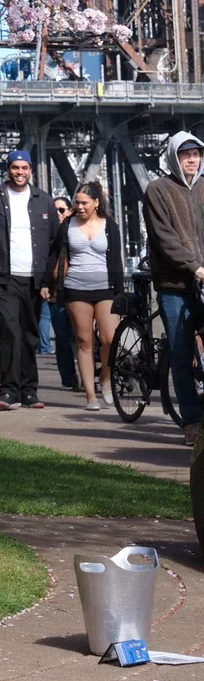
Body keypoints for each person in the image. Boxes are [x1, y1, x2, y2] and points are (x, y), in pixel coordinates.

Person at [0, 150, 56, 412]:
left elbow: (54, 243)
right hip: (2, 277)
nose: (20, 172)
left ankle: (30, 391)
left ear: (31, 170)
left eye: (25, 168)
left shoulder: (43, 201)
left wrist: (47, 281)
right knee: (9, 331)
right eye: (15, 168)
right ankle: (9, 391)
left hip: (33, 278)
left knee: (30, 335)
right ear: (8, 169)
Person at [141, 130, 204, 447]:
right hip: (174, 284)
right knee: (180, 353)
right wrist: (195, 267)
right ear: (173, 157)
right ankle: (192, 421)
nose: (192, 159)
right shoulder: (158, 190)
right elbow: (164, 239)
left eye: (196, 154)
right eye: (185, 154)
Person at [41, 180, 123, 412]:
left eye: (84, 203)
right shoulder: (67, 225)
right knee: (84, 341)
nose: (80, 207)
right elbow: (55, 254)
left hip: (105, 287)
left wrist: (120, 293)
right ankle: (90, 395)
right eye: (76, 203)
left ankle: (105, 378)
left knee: (110, 338)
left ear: (96, 203)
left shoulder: (110, 226)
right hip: (76, 288)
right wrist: (47, 282)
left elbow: (116, 259)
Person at [46, 196, 79, 390]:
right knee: (62, 336)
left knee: (83, 336)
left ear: (69, 211)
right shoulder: (47, 234)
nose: (58, 214)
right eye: (54, 210)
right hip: (55, 293)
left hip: (78, 290)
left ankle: (87, 374)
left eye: (61, 210)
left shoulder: (76, 232)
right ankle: (69, 378)